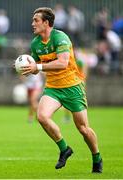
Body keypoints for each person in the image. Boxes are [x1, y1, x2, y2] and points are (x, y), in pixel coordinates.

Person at [21, 7, 102, 173]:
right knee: (42, 117)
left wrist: (39, 66)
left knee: (83, 129)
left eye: (36, 20)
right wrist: (25, 67)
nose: (33, 24)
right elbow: (36, 67)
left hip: (73, 88)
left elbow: (62, 63)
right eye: (33, 20)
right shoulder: (36, 43)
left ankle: (97, 158)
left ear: (46, 23)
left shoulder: (60, 37)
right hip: (53, 88)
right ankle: (64, 149)